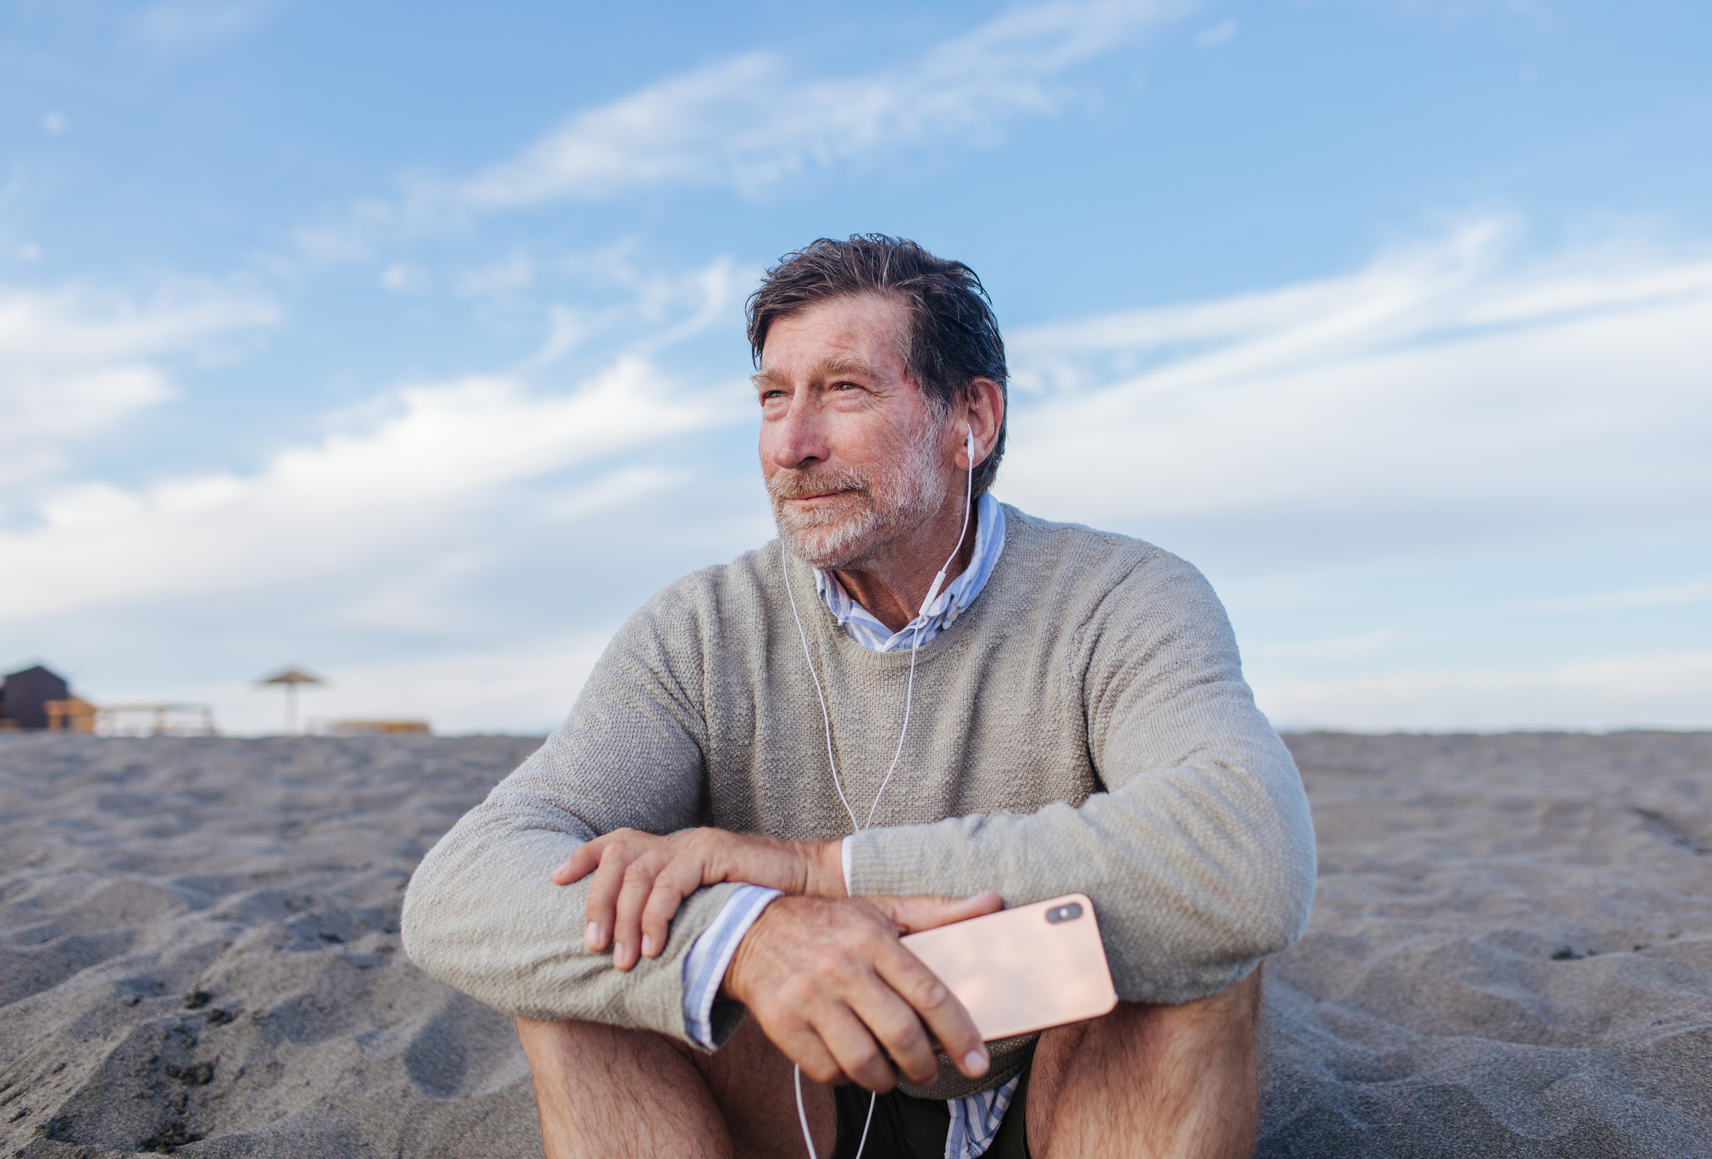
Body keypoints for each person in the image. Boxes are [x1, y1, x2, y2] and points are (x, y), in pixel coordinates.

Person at [402, 235, 1316, 1159]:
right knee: (592, 971)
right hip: (793, 1080)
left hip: (1049, 1070)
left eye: (843, 389)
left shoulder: (1120, 594)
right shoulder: (700, 628)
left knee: (1200, 954)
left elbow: (1248, 850)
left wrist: (814, 874)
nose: (792, 445)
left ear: (971, 419)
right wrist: (753, 933)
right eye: (772, 397)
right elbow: (462, 883)